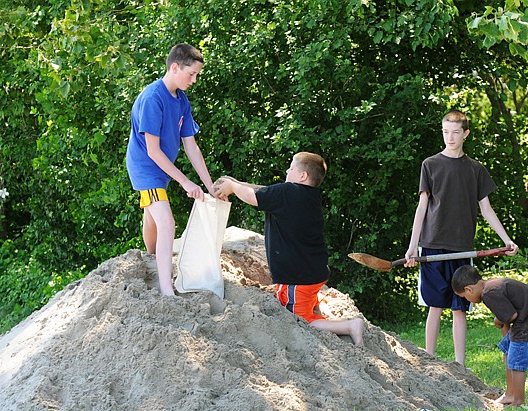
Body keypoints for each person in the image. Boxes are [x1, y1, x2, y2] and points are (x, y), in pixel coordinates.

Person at [404, 110, 519, 367]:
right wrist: (413, 246)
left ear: (465, 134)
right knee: (435, 305)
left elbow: (486, 209)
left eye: (455, 132)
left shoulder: (475, 169)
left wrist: (507, 240)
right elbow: (421, 208)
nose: (450, 137)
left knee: (459, 307)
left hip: (462, 248)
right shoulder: (430, 165)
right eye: (446, 132)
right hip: (432, 245)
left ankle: (460, 365)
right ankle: (428, 361)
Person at [214, 152, 364, 346]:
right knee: (305, 301)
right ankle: (314, 307)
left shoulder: (286, 194)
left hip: (297, 278)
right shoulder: (307, 196)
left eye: (291, 167)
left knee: (297, 320)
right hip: (314, 272)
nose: (287, 170)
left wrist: (234, 187)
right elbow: (266, 191)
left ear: (303, 176)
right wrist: (237, 183)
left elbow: (254, 197)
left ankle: (349, 326)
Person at [126, 43, 220, 297]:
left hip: (161, 167)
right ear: (175, 67)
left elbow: (191, 146)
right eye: (191, 74)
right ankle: (167, 289)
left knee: (152, 216)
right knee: (167, 223)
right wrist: (186, 183)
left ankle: (152, 257)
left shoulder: (182, 100)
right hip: (146, 167)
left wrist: (209, 185)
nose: (194, 80)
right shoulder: (152, 98)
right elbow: (153, 151)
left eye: (197, 75)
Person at [451, 265, 528, 407]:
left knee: (516, 362)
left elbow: (510, 316)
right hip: (525, 322)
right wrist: (507, 344)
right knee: (508, 354)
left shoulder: (489, 293)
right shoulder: (490, 287)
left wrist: (497, 320)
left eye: (464, 297)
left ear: (469, 289)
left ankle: (518, 401)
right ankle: (510, 394)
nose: (467, 300)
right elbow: (506, 318)